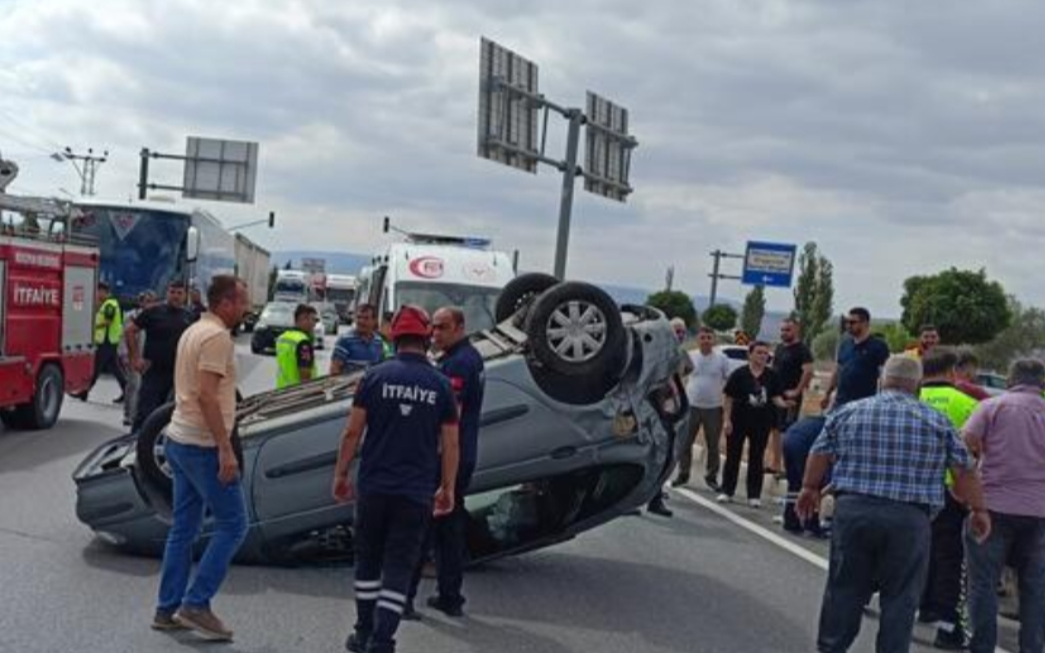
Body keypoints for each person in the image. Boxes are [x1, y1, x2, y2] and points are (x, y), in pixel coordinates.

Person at [797, 355, 990, 653]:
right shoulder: (937, 420)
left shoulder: (850, 411)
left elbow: (819, 452)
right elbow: (963, 470)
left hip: (854, 512)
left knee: (844, 588)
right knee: (901, 596)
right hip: (910, 520)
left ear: (882, 380)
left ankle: (831, 647)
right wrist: (978, 509)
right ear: (917, 385)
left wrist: (809, 488)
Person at [332, 305, 459, 653]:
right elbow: (450, 442)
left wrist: (341, 474)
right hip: (415, 492)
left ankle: (362, 631)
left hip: (374, 487)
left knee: (368, 561)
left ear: (395, 337)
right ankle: (383, 640)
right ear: (425, 338)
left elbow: (352, 432)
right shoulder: (441, 385)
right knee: (399, 567)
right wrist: (447, 487)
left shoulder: (374, 377)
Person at [152, 275, 250, 642]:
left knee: (184, 528)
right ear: (225, 303)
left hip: (178, 439)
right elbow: (207, 396)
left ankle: (166, 609)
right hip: (202, 446)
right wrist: (225, 449)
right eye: (242, 302)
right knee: (234, 524)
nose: (246, 309)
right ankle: (196, 603)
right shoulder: (216, 338)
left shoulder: (194, 330)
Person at [406, 306, 485, 619]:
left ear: (460, 327)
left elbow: (447, 417)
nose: (435, 334)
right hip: (461, 455)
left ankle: (405, 599)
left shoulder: (459, 364)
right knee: (448, 529)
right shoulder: (465, 358)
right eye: (433, 328)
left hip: (445, 458)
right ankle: (450, 596)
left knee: (422, 526)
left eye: (442, 327)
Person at [962, 359, 1045, 653]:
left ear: (1010, 380)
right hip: (1038, 511)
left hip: (992, 505)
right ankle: (1033, 647)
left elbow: (966, 442)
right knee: (1035, 587)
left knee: (983, 582)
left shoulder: (992, 407)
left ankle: (982, 645)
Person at [917, 348, 980, 650]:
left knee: (910, 550)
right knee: (948, 557)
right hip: (950, 489)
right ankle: (947, 626)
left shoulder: (909, 399)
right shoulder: (968, 404)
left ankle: (920, 606)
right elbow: (976, 453)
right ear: (952, 370)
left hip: (910, 488)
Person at [718, 341, 793, 507]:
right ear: (750, 355)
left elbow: (775, 397)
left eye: (765, 353)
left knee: (757, 458)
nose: (763, 356)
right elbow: (728, 398)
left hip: (761, 422)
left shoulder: (772, 376)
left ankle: (753, 495)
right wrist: (727, 420)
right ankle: (727, 490)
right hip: (738, 420)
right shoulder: (739, 374)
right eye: (759, 352)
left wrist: (784, 404)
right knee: (733, 456)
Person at [126, 280, 195, 432]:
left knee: (170, 415)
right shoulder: (153, 312)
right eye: (172, 292)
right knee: (146, 412)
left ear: (185, 296)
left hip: (177, 374)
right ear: (167, 293)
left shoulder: (189, 317)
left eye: (179, 293)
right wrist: (135, 358)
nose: (175, 296)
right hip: (153, 371)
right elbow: (130, 331)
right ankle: (136, 445)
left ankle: (157, 447)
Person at [673, 326, 731, 491]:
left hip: (713, 408)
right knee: (685, 442)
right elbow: (679, 377)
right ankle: (683, 474)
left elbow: (728, 382)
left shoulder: (722, 359)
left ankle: (711, 477)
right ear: (698, 340)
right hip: (691, 406)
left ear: (714, 340)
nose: (706, 340)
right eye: (703, 337)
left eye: (709, 337)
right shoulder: (690, 356)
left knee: (713, 445)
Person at [820, 307, 891, 411]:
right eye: (847, 322)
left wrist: (882, 400)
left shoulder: (878, 346)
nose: (848, 325)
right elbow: (838, 370)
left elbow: (884, 375)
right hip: (840, 402)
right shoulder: (845, 344)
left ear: (865, 323)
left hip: (863, 404)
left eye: (852, 322)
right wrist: (827, 394)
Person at [768, 318, 814, 476]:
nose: (784, 333)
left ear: (796, 330)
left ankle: (788, 467)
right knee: (774, 429)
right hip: (776, 395)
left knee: (786, 432)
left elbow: (808, 371)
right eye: (782, 330)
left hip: (790, 398)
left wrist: (797, 390)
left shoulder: (802, 349)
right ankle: (775, 464)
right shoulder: (780, 348)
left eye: (787, 330)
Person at [76, 282, 128, 403]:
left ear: (105, 291)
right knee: (115, 368)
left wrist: (93, 327)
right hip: (109, 340)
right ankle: (126, 390)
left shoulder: (110, 304)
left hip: (107, 341)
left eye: (99, 291)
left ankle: (84, 392)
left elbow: (108, 322)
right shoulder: (107, 303)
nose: (97, 294)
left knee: (95, 368)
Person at [780, 415, 830, 536]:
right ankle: (811, 524)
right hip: (803, 444)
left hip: (789, 438)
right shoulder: (833, 426)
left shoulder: (820, 420)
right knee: (813, 484)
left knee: (795, 482)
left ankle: (791, 521)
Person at [120, 291, 158, 427]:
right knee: (133, 385)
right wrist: (124, 355)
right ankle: (129, 414)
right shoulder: (131, 317)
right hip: (134, 357)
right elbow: (124, 337)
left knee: (146, 387)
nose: (148, 304)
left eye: (151, 301)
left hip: (149, 358)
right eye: (146, 301)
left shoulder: (157, 317)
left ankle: (141, 414)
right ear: (141, 302)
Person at [330, 303, 386, 375]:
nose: (361, 321)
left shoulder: (378, 341)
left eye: (366, 318)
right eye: (359, 317)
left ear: (374, 321)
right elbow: (334, 370)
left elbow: (380, 366)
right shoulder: (345, 340)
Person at [275, 304, 318, 388]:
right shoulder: (303, 342)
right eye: (313, 320)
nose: (314, 324)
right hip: (297, 394)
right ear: (304, 319)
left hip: (281, 391)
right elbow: (305, 375)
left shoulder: (283, 337)